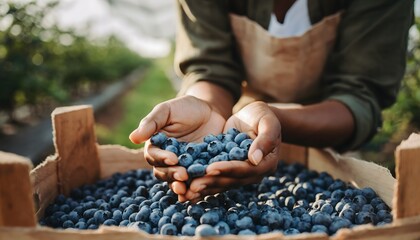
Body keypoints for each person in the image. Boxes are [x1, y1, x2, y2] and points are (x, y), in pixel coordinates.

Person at [129, 0, 414, 202]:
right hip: (243, 124)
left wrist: (276, 119)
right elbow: (210, 69)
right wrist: (208, 108)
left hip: (328, 133)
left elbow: (360, 96)